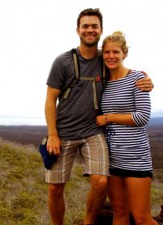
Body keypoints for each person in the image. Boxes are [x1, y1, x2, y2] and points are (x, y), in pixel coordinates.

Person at [44, 8, 154, 225]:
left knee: (101, 181)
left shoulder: (104, 59)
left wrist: (147, 81)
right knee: (55, 187)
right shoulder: (63, 61)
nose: (90, 30)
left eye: (94, 26)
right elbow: (50, 100)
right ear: (78, 30)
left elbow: (124, 73)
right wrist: (52, 135)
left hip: (94, 132)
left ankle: (88, 222)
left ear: (100, 30)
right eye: (85, 26)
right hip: (63, 132)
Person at [96, 31, 159, 225]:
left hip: (136, 158)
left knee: (141, 218)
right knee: (119, 212)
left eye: (116, 51)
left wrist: (109, 118)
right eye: (107, 52)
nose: (111, 56)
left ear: (124, 53)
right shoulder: (103, 82)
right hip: (112, 159)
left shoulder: (137, 78)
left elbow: (142, 117)